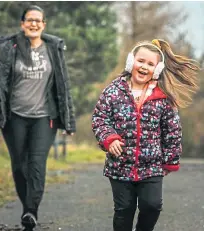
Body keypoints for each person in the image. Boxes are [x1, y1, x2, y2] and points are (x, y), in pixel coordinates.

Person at [0, 5, 76, 231]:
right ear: (22, 24)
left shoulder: (54, 49)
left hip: (44, 117)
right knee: (19, 166)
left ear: (44, 25)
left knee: (36, 164)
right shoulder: (8, 49)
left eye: (38, 21)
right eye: (30, 20)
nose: (34, 24)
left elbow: (63, 87)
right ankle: (27, 208)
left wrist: (68, 121)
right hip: (15, 117)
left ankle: (31, 211)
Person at [92, 39, 199, 231]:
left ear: (157, 69)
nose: (144, 67)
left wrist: (170, 160)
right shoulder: (113, 92)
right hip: (120, 165)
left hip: (152, 166)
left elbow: (172, 131)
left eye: (150, 64)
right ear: (131, 62)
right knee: (124, 209)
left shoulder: (163, 98)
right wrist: (109, 139)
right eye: (141, 61)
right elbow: (100, 119)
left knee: (152, 206)